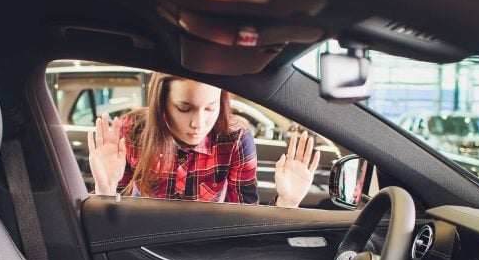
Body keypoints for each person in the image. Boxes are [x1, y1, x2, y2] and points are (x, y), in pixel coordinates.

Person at [88, 72, 320, 207]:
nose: (198, 124)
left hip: (203, 247)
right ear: (162, 104)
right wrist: (105, 188)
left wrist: (287, 202)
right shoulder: (133, 130)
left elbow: (245, 220)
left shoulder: (235, 139)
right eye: (184, 108)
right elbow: (112, 222)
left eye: (210, 108)